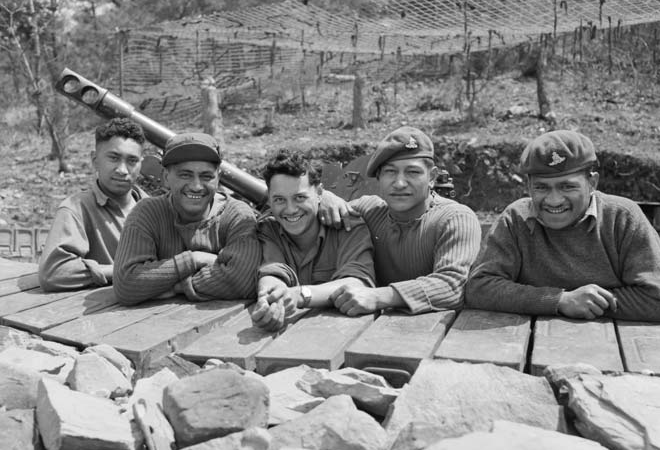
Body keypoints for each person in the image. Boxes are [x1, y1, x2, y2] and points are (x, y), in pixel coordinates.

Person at [465, 130, 660, 321]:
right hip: (526, 340)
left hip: (618, 345)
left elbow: (655, 298)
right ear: (528, 186)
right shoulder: (515, 219)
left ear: (592, 183)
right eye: (541, 187)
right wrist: (560, 300)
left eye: (568, 186)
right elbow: (479, 287)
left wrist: (588, 304)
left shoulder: (622, 218)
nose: (554, 200)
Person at [321, 126, 482, 316]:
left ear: (432, 177)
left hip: (442, 334)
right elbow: (308, 207)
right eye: (390, 172)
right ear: (379, 177)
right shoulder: (369, 211)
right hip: (372, 332)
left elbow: (451, 285)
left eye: (412, 172)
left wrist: (377, 297)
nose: (399, 183)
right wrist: (323, 197)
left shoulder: (455, 218)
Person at [113, 132, 261, 305]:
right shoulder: (148, 212)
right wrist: (194, 259)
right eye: (185, 175)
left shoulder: (237, 215)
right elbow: (126, 284)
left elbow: (244, 280)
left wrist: (178, 287)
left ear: (218, 178)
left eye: (206, 176)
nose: (196, 186)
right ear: (166, 177)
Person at [252, 149, 375, 331]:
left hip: (348, 333)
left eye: (300, 197)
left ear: (319, 193)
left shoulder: (348, 223)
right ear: (269, 199)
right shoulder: (269, 229)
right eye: (279, 200)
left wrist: (300, 295)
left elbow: (357, 282)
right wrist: (269, 298)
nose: (291, 209)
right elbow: (273, 270)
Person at [39, 118, 148, 291]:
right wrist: (123, 272)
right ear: (94, 159)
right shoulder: (76, 209)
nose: (122, 170)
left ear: (141, 164)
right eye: (113, 158)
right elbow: (54, 272)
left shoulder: (154, 207)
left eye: (132, 160)